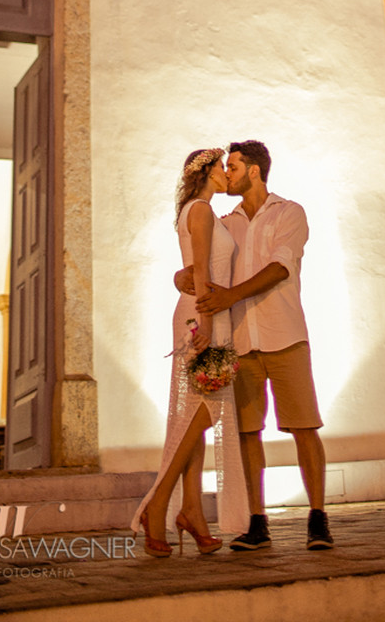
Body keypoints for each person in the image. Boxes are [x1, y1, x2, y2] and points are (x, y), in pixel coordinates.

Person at [186, 139, 333, 551]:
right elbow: (206, 264)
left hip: (284, 333)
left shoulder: (289, 213)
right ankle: (257, 521)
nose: (226, 174)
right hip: (241, 340)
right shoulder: (225, 222)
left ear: (254, 170)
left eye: (232, 167)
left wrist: (231, 296)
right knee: (248, 433)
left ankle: (318, 517)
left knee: (304, 427)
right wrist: (184, 280)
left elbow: (281, 266)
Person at [132, 148, 248, 557]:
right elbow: (200, 268)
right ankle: (159, 503)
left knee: (195, 415)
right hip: (203, 315)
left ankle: (192, 511)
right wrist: (210, 319)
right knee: (206, 411)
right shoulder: (199, 210)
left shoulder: (206, 212)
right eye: (221, 167)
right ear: (205, 172)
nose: (226, 174)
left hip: (208, 311)